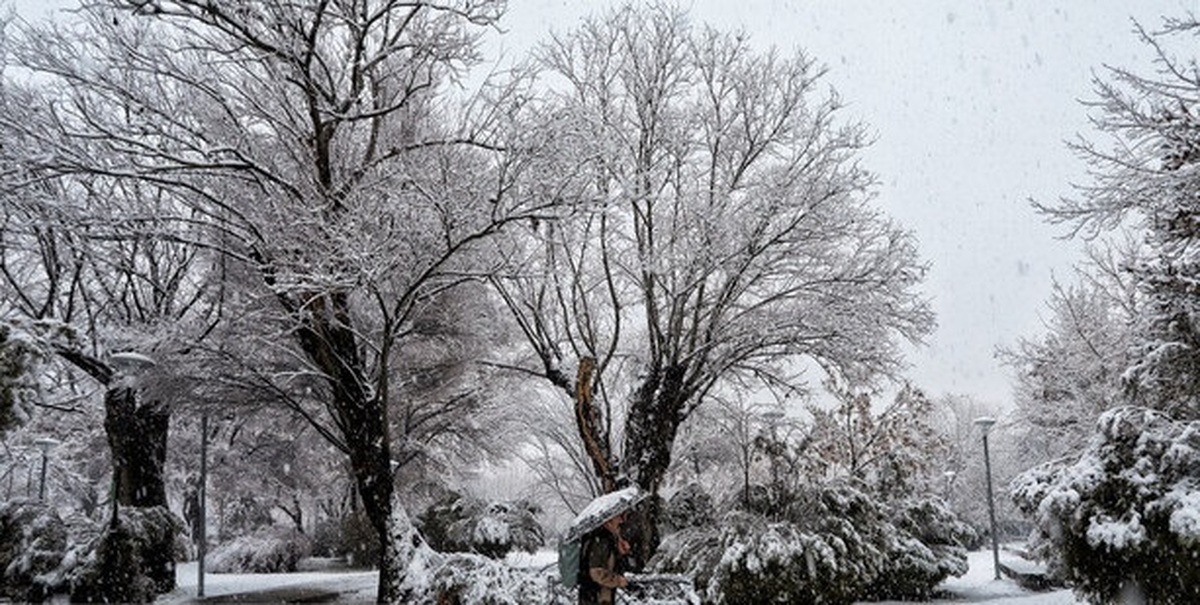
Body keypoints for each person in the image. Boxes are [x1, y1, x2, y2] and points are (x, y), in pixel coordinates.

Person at [578, 511, 632, 605]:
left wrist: (622, 553)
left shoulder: (608, 539)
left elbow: (611, 565)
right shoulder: (601, 540)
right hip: (596, 596)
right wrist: (618, 580)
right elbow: (596, 572)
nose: (621, 520)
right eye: (618, 516)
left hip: (598, 596)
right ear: (609, 520)